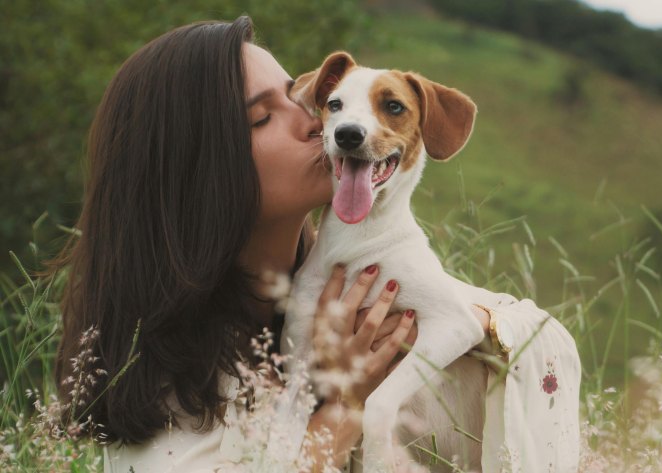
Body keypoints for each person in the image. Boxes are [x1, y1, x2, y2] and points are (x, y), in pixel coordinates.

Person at [54, 16, 581, 473]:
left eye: (303, 98)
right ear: (198, 170)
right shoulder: (161, 380)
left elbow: (525, 334)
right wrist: (345, 404)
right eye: (262, 117)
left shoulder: (358, 272)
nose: (316, 123)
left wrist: (455, 326)